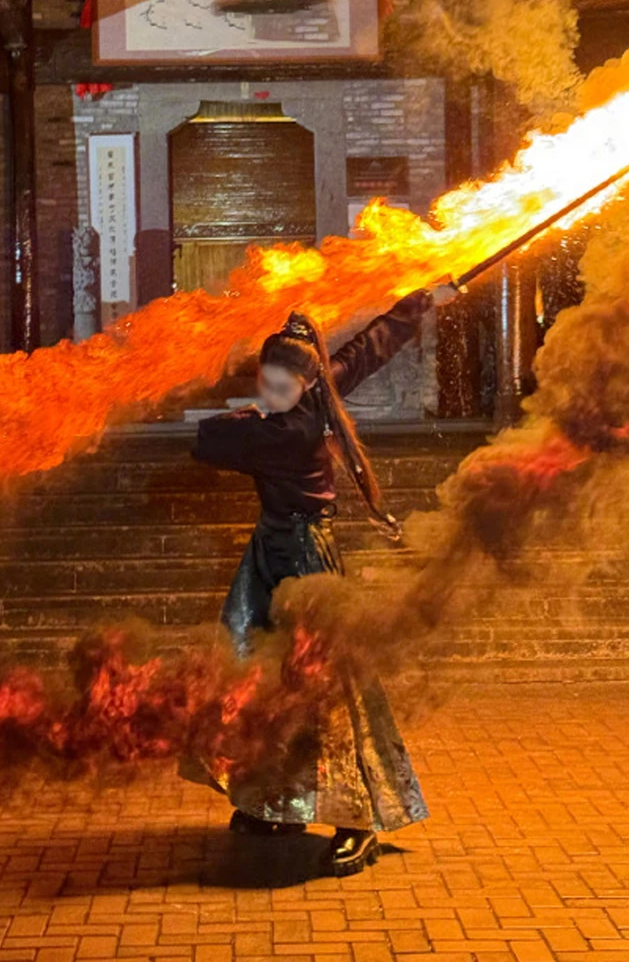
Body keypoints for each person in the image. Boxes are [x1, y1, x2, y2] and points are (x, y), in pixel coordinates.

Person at [184, 289, 434, 877]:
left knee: (326, 686)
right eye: (263, 382)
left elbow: (207, 440)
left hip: (306, 557)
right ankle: (278, 800)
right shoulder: (313, 395)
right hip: (269, 550)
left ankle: (360, 821)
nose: (267, 396)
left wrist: (250, 411)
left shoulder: (279, 435)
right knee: (256, 672)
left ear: (306, 387)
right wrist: (420, 303)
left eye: (280, 388)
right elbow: (368, 349)